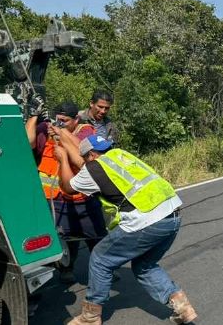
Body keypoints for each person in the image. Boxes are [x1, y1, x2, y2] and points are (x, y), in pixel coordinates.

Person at [56, 135, 197, 325]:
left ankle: (90, 317)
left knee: (100, 258)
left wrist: (63, 158)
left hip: (147, 220)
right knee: (144, 265)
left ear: (90, 155)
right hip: (172, 215)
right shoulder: (122, 155)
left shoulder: (93, 168)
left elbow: (67, 187)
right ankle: (182, 307)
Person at [25, 100, 107, 283]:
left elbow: (83, 150)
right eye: (58, 119)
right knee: (65, 238)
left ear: (75, 119)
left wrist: (61, 133)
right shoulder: (46, 129)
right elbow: (27, 142)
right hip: (55, 198)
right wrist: (34, 116)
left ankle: (105, 268)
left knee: (96, 235)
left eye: (65, 121)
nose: (60, 123)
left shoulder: (85, 130)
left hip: (82, 197)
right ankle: (66, 269)